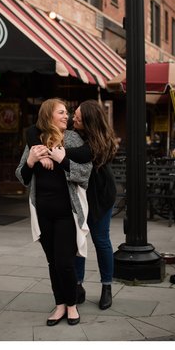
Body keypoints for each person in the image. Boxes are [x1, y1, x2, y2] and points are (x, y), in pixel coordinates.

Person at [16, 98, 91, 327]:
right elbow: (22, 176)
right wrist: (30, 161)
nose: (66, 116)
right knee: (52, 262)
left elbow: (84, 175)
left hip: (66, 213)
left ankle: (71, 305)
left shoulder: (72, 138)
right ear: (48, 115)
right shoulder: (34, 141)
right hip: (43, 212)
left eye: (67, 113)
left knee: (65, 262)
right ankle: (59, 305)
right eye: (61, 112)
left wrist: (61, 159)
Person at [70, 100, 119, 310]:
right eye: (74, 115)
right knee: (78, 240)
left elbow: (83, 154)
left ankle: (107, 287)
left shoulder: (101, 141)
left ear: (89, 121)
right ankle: (78, 285)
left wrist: (57, 152)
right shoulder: (73, 134)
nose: (73, 119)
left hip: (100, 196)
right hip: (80, 195)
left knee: (101, 240)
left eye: (78, 118)